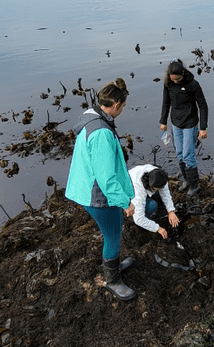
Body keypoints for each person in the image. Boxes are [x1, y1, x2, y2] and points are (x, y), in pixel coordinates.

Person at [65, 78, 137, 301]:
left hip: (83, 184)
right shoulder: (101, 133)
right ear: (115, 105)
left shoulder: (91, 116)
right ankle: (113, 281)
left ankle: (114, 266)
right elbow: (106, 179)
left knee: (113, 230)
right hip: (96, 194)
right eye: (122, 107)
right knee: (113, 235)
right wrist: (126, 202)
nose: (122, 110)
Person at [159, 59, 209, 196]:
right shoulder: (168, 84)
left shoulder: (193, 84)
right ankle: (187, 180)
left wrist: (203, 127)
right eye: (172, 79)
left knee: (188, 154)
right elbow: (166, 102)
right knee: (180, 153)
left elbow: (203, 106)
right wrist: (163, 121)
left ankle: (194, 185)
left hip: (190, 123)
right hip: (176, 123)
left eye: (177, 79)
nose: (175, 81)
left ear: (182, 74)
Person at [128, 164, 180, 239]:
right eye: (159, 188)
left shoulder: (159, 174)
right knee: (152, 206)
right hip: (130, 194)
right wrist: (157, 228)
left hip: (146, 188)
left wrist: (171, 211)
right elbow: (138, 219)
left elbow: (165, 193)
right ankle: (149, 219)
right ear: (151, 186)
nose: (162, 188)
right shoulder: (138, 191)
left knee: (166, 196)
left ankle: (160, 213)